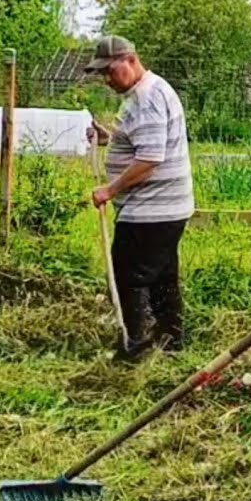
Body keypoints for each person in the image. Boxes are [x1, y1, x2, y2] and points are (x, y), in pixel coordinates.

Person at [84, 35, 194, 363]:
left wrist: (110, 189)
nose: (106, 78)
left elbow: (149, 158)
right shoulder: (147, 91)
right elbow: (139, 141)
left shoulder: (146, 97)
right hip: (164, 206)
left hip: (152, 209)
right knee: (161, 275)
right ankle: (170, 340)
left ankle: (135, 346)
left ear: (131, 60)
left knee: (129, 275)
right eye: (101, 73)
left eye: (110, 70)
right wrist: (109, 138)